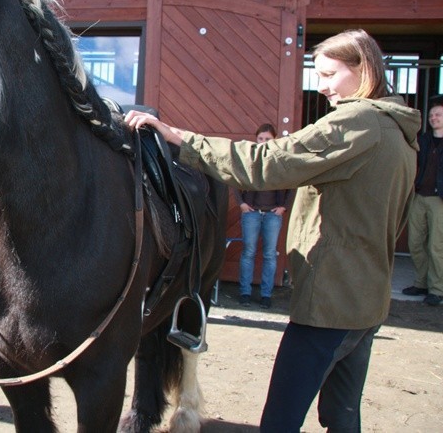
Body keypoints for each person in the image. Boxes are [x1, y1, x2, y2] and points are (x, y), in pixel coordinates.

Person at [125, 29, 421, 432]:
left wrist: (180, 138)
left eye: (330, 74)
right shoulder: (400, 134)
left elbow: (269, 161)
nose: (323, 86)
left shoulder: (358, 123)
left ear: (363, 70)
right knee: (342, 416)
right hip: (367, 301)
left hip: (330, 304)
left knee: (280, 421)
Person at [233, 123, 293, 309]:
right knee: (248, 253)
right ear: (256, 138)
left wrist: (284, 207)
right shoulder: (248, 157)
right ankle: (245, 293)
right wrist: (241, 203)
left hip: (273, 215)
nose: (263, 142)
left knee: (269, 255)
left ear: (274, 140)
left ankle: (266, 295)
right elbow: (233, 178)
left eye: (268, 139)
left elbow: (294, 184)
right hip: (251, 214)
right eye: (260, 138)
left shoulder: (281, 160)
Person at [404, 97, 443, 307]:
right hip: (420, 196)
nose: (433, 118)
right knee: (415, 242)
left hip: (440, 199)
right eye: (431, 116)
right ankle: (421, 283)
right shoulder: (425, 140)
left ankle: (437, 289)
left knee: (437, 246)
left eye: (438, 115)